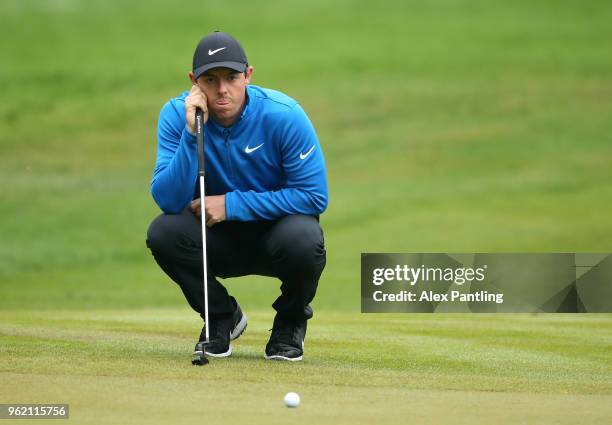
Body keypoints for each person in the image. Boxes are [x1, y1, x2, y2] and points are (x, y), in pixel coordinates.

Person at [145, 31, 328, 362]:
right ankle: (220, 317)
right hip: (218, 240)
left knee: (305, 237)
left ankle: (289, 323)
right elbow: (169, 201)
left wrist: (231, 204)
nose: (222, 89)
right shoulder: (176, 116)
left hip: (277, 237)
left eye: (231, 78)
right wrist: (191, 133)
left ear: (248, 75)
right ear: (193, 81)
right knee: (163, 232)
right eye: (210, 80)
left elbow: (314, 196)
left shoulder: (283, 115)